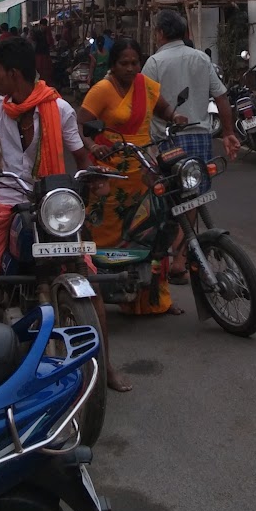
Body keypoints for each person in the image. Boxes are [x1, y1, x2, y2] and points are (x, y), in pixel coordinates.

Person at [0, 38, 129, 394]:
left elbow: (80, 155)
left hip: (51, 201)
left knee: (89, 278)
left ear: (14, 73)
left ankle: (107, 365)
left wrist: (93, 174)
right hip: (6, 199)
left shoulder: (59, 109)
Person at [79, 37, 187, 315]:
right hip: (110, 175)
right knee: (105, 235)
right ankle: (98, 296)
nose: (130, 68)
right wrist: (93, 146)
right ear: (113, 65)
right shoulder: (101, 89)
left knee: (151, 234)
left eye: (134, 63)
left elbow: (162, 108)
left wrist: (175, 117)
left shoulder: (146, 86)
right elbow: (78, 126)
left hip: (142, 169)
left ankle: (154, 300)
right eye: (123, 63)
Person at [143, 9, 241, 282]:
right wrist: (228, 133)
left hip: (166, 140)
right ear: (185, 33)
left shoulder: (154, 62)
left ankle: (174, 255)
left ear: (160, 33)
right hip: (199, 137)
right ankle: (180, 256)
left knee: (168, 200)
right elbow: (221, 97)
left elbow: (144, 101)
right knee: (193, 197)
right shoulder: (200, 58)